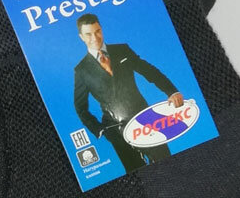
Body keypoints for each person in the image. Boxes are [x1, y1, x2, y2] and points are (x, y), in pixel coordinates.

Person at [72, 13, 184, 174]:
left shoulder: (122, 50)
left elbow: (149, 71)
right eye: (88, 34)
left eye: (97, 31)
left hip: (145, 118)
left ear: (101, 29)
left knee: (167, 163)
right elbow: (80, 107)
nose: (95, 38)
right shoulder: (81, 70)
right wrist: (99, 129)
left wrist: (171, 91)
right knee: (137, 174)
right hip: (115, 129)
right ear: (81, 37)